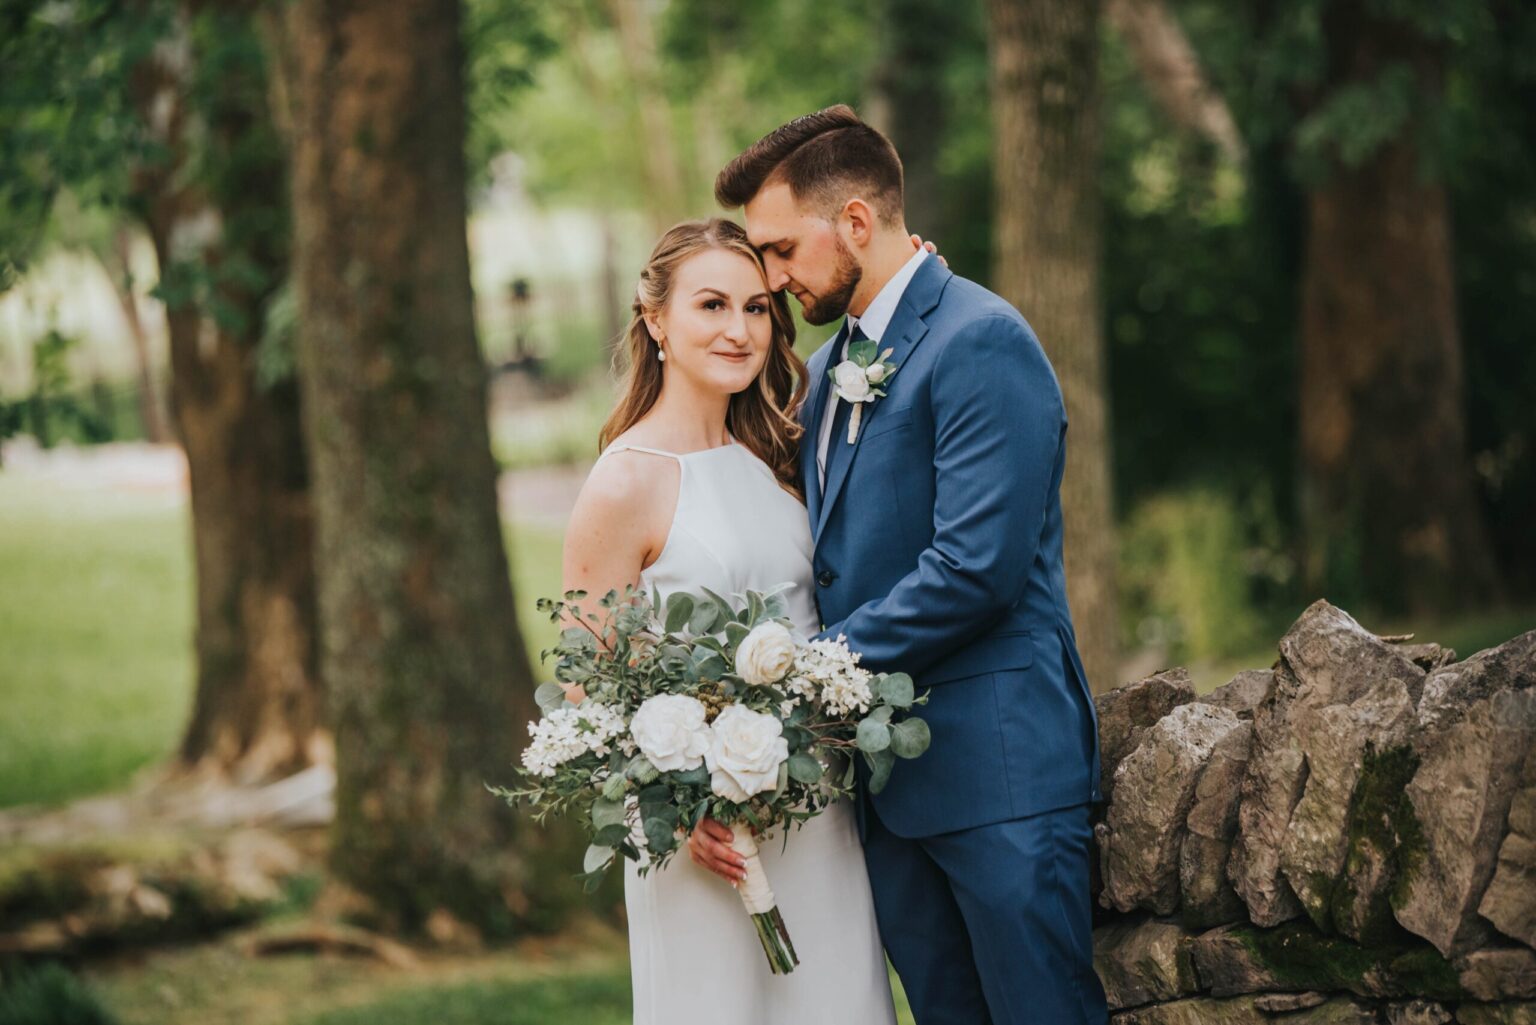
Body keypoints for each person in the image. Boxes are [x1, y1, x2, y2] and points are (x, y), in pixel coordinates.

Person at [690, 105, 1109, 1025]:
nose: (771, 277)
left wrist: (804, 673)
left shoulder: (981, 341)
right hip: (889, 797)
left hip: (1000, 779)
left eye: (780, 248)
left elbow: (975, 568)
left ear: (854, 223)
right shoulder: (833, 364)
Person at [560, 218, 897, 1024]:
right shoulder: (625, 482)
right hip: (704, 839)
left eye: (755, 309)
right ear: (655, 320)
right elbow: (586, 687)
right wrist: (679, 810)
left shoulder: (783, 448)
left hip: (818, 816)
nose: (739, 330)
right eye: (711, 305)